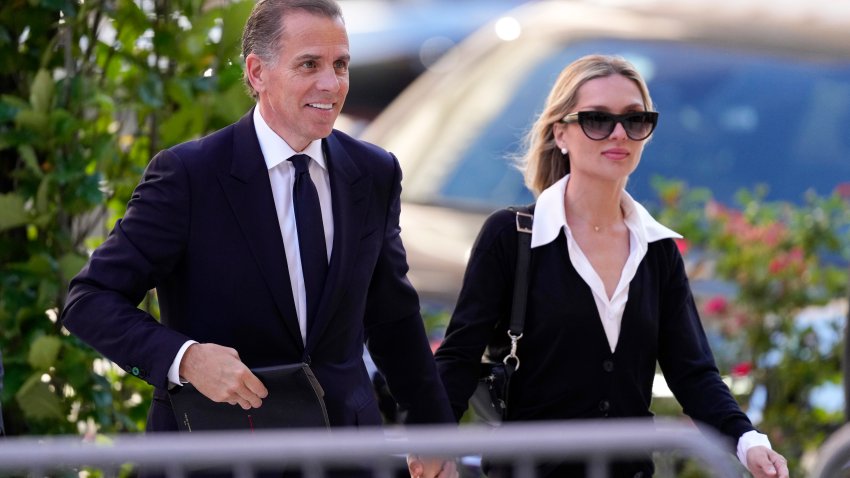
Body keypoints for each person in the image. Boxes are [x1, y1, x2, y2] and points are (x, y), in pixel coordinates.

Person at [60, 1, 455, 476]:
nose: (331, 83)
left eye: (341, 64)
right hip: (219, 455)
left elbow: (392, 314)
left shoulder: (373, 172)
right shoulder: (190, 176)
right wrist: (185, 360)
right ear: (257, 71)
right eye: (309, 64)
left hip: (344, 455)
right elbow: (89, 299)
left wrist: (434, 431)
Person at [432, 54, 789, 478]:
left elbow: (694, 375)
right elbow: (457, 358)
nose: (618, 133)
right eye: (597, 119)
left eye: (635, 120)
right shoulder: (511, 236)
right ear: (560, 132)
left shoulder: (656, 249)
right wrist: (431, 445)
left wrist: (749, 443)